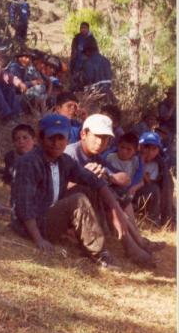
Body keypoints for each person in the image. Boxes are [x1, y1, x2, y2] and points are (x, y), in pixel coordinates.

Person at [11, 113, 114, 268]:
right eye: (51, 138)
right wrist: (38, 240)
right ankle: (98, 254)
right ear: (41, 138)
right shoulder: (29, 162)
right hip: (31, 225)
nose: (56, 143)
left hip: (48, 214)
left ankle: (93, 239)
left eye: (61, 138)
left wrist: (117, 212)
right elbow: (24, 206)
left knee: (88, 188)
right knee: (77, 199)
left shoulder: (64, 161)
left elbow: (95, 181)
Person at [65, 114, 161, 264]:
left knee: (118, 191)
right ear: (84, 134)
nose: (100, 142)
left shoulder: (96, 157)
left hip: (86, 207)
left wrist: (109, 177)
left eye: (105, 138)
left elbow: (126, 179)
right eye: (97, 136)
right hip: (69, 206)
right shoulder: (70, 154)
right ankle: (131, 246)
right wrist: (84, 175)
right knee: (98, 189)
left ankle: (137, 242)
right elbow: (56, 189)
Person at [133, 131, 174, 227]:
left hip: (146, 197)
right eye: (146, 147)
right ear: (139, 146)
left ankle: (153, 221)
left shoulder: (159, 165)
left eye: (154, 148)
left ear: (158, 150)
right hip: (127, 193)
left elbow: (163, 189)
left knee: (155, 188)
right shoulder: (130, 156)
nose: (149, 152)